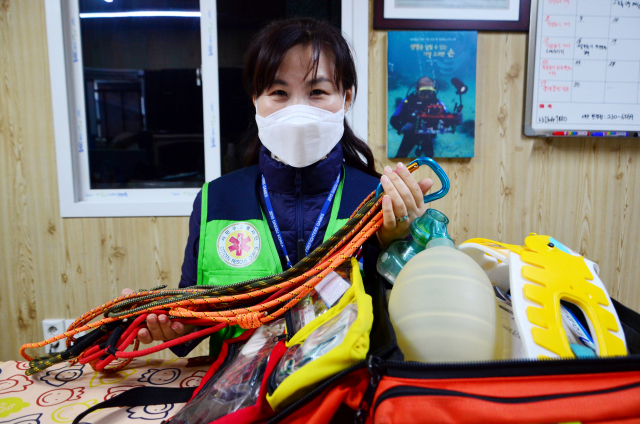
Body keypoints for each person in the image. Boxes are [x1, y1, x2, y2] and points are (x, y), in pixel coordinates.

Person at [122, 18, 434, 354]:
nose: (297, 112)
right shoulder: (217, 200)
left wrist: (403, 242)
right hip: (239, 397)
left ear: (346, 98)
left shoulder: (378, 198)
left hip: (347, 390)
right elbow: (192, 326)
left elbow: (410, 320)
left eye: (317, 92)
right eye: (279, 93)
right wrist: (167, 325)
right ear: (256, 100)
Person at [390, 76, 449, 158]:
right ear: (417, 89)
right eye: (423, 92)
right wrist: (401, 127)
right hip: (409, 136)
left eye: (430, 92)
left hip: (427, 136)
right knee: (400, 157)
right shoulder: (407, 102)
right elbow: (393, 120)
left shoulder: (438, 103)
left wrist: (456, 118)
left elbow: (449, 118)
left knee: (430, 158)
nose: (427, 96)